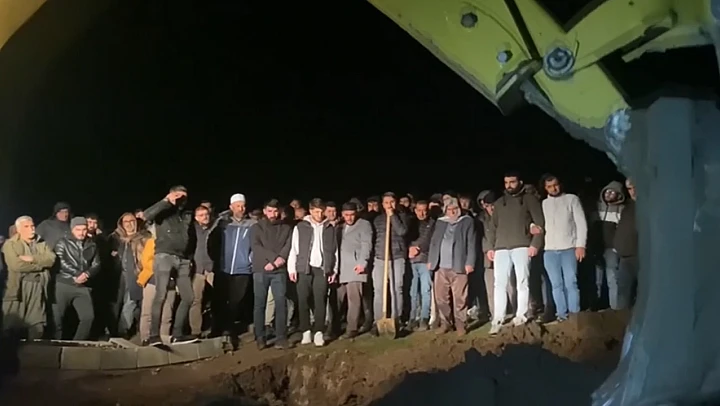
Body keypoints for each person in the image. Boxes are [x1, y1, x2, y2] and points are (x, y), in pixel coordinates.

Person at [486, 172, 545, 335]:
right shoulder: (499, 203)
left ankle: (521, 315)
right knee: (499, 284)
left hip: (522, 245)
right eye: (506, 182)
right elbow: (493, 226)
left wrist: (535, 244)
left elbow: (539, 223)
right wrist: (490, 247)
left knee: (522, 282)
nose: (509, 185)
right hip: (501, 248)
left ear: (520, 182)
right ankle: (498, 318)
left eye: (512, 182)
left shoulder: (529, 199)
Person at [143, 186, 198, 345]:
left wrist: (189, 258)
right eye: (178, 196)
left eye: (184, 197)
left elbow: (192, 237)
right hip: (164, 256)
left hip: (183, 259)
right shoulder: (164, 211)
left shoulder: (187, 214)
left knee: (189, 297)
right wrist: (166, 201)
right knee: (161, 294)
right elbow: (147, 215)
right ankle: (154, 335)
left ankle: (177, 334)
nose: (181, 200)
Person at [287, 198, 337, 347]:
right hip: (304, 268)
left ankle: (319, 332)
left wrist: (334, 270)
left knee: (320, 300)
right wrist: (292, 269)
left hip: (321, 269)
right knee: (303, 300)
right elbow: (294, 249)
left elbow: (335, 251)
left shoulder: (329, 228)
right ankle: (306, 331)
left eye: (321, 212)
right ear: (310, 211)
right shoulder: (301, 227)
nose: (319, 215)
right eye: (316, 212)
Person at [208, 193, 256, 339]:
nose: (241, 209)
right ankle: (216, 328)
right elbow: (212, 243)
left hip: (243, 270)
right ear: (231, 207)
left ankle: (229, 329)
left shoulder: (252, 225)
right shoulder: (222, 224)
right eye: (237, 206)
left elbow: (256, 245)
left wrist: (250, 261)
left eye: (243, 206)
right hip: (223, 269)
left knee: (236, 301)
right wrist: (217, 261)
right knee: (219, 300)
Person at [541, 174, 588, 322]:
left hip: (568, 248)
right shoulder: (544, 204)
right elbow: (539, 222)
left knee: (571, 282)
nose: (553, 189)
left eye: (555, 185)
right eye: (549, 186)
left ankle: (574, 314)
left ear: (560, 184)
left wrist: (581, 245)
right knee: (556, 284)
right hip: (549, 250)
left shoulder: (571, 199)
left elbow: (581, 223)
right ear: (545, 188)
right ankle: (561, 314)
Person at [427, 198, 476, 335]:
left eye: (455, 209)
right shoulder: (441, 222)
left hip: (459, 265)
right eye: (449, 209)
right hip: (440, 266)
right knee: (441, 298)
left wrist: (470, 262)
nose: (452, 212)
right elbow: (434, 241)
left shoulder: (467, 221)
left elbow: (471, 242)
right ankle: (446, 323)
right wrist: (431, 259)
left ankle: (460, 324)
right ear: (445, 210)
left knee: (460, 297)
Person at [1, 216, 56, 339]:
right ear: (19, 229)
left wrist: (32, 258)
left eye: (32, 226)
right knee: (12, 326)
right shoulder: (11, 244)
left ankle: (34, 349)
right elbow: (16, 265)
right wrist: (40, 265)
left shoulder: (41, 243)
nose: (32, 229)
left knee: (37, 324)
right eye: (27, 226)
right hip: (18, 288)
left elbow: (51, 260)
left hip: (38, 286)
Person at [251, 199, 293, 350]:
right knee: (259, 304)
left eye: (275, 211)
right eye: (270, 211)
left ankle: (281, 337)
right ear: (264, 211)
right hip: (261, 268)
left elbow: (288, 246)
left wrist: (277, 262)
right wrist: (274, 259)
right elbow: (256, 246)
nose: (273, 214)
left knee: (281, 302)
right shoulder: (256, 227)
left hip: (279, 270)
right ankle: (260, 337)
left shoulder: (286, 228)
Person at [53, 217, 101, 340]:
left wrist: (87, 274)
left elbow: (97, 264)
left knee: (88, 317)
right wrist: (78, 274)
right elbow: (61, 261)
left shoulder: (91, 244)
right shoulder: (62, 242)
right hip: (64, 284)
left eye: (84, 229)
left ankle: (77, 344)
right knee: (57, 319)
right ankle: (55, 344)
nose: (81, 232)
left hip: (83, 285)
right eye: (78, 229)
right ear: (72, 229)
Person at [371, 192, 408, 335]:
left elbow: (402, 231)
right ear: (382, 204)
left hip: (397, 257)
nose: (389, 205)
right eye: (386, 202)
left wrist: (392, 216)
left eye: (391, 202)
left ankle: (396, 319)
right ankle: (378, 321)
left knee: (396, 288)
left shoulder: (402, 217)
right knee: (379, 290)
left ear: (396, 203)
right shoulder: (378, 219)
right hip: (380, 257)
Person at [407, 200, 434, 330]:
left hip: (425, 260)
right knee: (413, 292)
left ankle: (424, 317)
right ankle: (413, 317)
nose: (422, 213)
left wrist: (417, 248)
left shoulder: (432, 223)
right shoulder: (411, 222)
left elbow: (429, 240)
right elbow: (406, 237)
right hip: (412, 261)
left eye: (424, 210)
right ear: (415, 210)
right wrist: (409, 249)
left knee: (425, 290)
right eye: (419, 210)